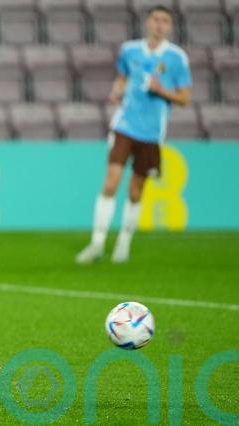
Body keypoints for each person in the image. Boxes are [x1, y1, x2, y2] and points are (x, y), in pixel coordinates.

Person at [76, 5, 191, 264]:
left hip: (152, 134)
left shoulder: (177, 58)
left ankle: (124, 243)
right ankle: (97, 242)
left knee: (136, 191)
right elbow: (122, 76)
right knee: (111, 183)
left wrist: (162, 91)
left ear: (170, 26)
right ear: (148, 22)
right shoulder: (130, 50)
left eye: (164, 21)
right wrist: (116, 90)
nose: (159, 24)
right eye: (156, 19)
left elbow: (185, 98)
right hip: (124, 126)